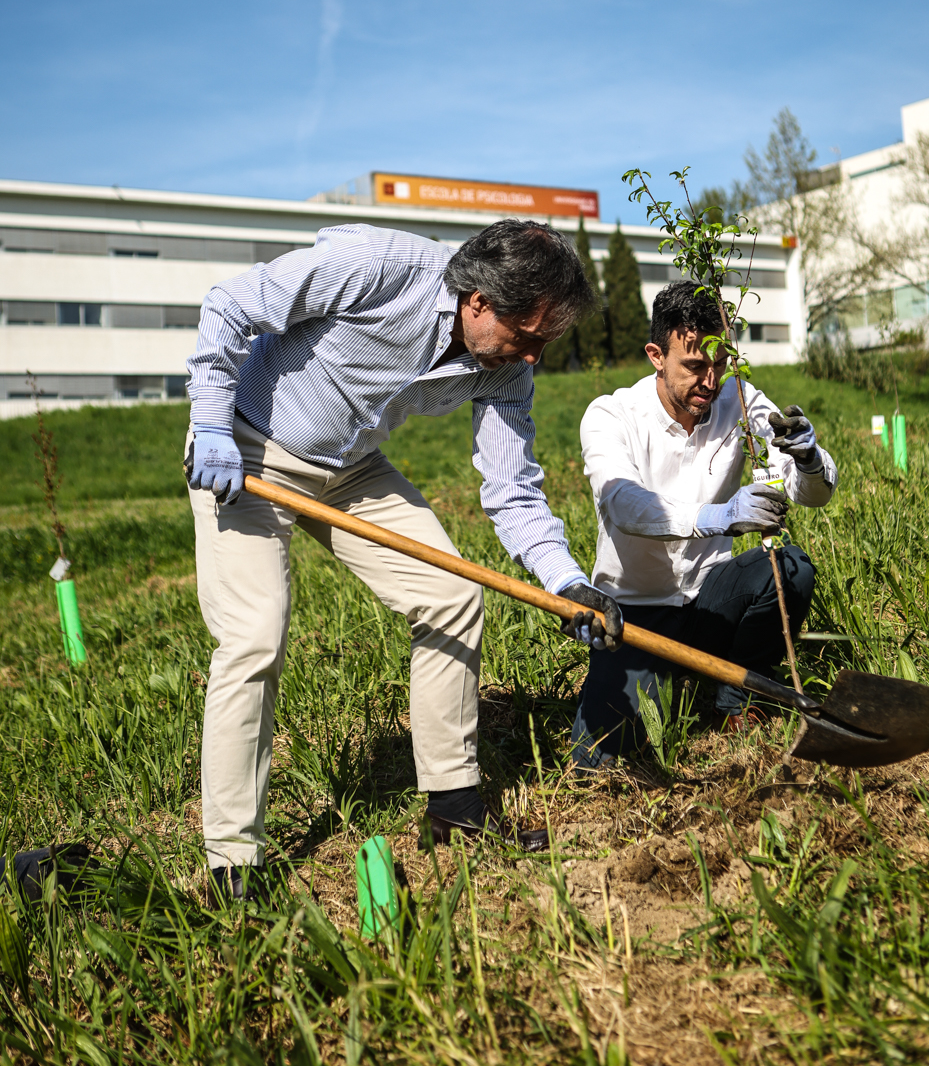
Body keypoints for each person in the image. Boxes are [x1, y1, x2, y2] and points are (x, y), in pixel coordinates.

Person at [185, 219, 624, 898]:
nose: (532, 357)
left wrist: (566, 581)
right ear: (478, 302)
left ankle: (453, 810)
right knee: (253, 636)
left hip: (352, 470)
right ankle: (232, 863)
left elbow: (511, 490)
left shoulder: (502, 369)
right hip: (245, 452)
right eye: (527, 336)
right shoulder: (375, 266)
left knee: (452, 596)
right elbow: (231, 304)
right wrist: (211, 423)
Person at [568, 279, 838, 771]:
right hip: (637, 613)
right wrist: (717, 517)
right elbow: (623, 505)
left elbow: (807, 493)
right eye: (694, 366)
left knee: (789, 568)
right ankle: (669, 676)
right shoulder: (611, 416)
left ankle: (738, 696)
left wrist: (811, 461)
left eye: (719, 363)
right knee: (598, 758)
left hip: (711, 600)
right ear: (656, 355)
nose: (710, 381)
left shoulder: (739, 399)